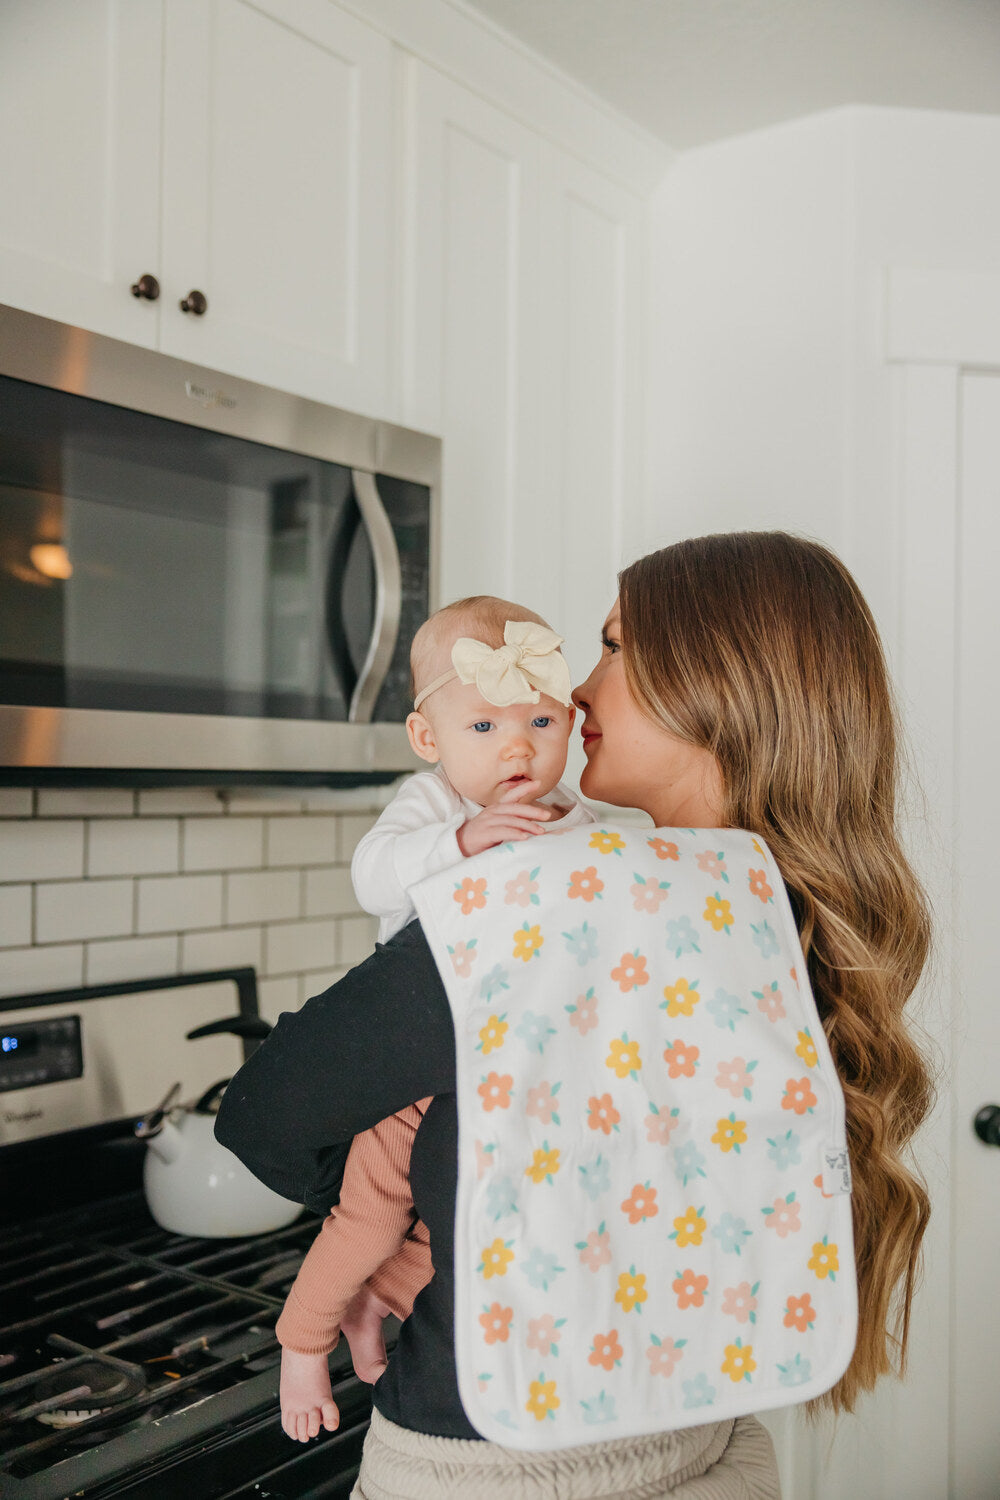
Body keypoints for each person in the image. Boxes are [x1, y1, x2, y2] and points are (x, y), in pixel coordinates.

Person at [217, 532, 933, 1499]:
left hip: (490, 1469)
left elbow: (265, 1108)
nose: (579, 691)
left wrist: (397, 1223)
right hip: (719, 1450)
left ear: (714, 685)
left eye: (611, 647)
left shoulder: (529, 909)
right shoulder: (792, 918)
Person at [277, 596, 593, 1443]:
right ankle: (304, 1340)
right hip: (416, 1066)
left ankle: (377, 1303)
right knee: (375, 1214)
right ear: (430, 740)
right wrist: (463, 842)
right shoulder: (429, 808)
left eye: (540, 718)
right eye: (484, 727)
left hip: (511, 1070)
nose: (519, 746)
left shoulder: (583, 816)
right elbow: (372, 878)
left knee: (460, 1222)